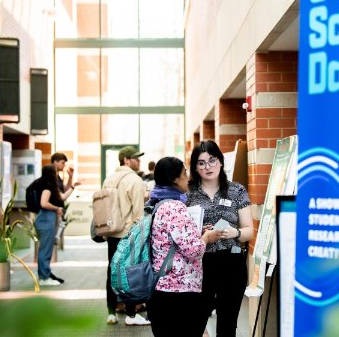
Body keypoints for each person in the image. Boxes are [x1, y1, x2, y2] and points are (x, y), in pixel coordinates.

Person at [146, 157, 222, 337]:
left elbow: (170, 239)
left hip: (162, 288)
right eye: (184, 173)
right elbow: (193, 250)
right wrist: (206, 237)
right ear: (174, 179)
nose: (188, 178)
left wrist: (197, 232)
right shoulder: (175, 207)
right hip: (180, 292)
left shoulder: (159, 203)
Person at [187, 140, 253, 336]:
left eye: (212, 160)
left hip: (231, 261)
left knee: (227, 324)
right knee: (196, 321)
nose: (207, 167)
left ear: (221, 162)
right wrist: (201, 234)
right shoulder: (187, 194)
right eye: (201, 163)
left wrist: (236, 233)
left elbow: (249, 229)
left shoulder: (236, 191)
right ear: (195, 167)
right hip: (199, 263)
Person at [104, 146, 151, 326]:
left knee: (112, 271)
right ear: (126, 160)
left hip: (111, 232)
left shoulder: (108, 179)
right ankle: (131, 314)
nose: (139, 161)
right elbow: (139, 215)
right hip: (128, 234)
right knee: (130, 273)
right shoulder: (134, 180)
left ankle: (111, 312)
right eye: (136, 158)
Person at [35, 164, 76, 287]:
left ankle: (45, 275)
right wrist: (56, 208)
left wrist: (73, 185)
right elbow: (43, 203)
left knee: (47, 250)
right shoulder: (47, 187)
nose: (57, 174)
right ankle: (44, 277)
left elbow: (62, 197)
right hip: (45, 218)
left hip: (48, 218)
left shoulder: (51, 187)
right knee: (45, 250)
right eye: (55, 172)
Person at [50, 153, 80, 283]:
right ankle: (44, 275)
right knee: (47, 245)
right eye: (62, 163)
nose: (64, 166)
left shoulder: (58, 177)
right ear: (55, 162)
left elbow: (64, 191)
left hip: (57, 213)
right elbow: (61, 196)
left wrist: (71, 177)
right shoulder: (49, 177)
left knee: (51, 244)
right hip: (51, 212)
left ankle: (47, 273)